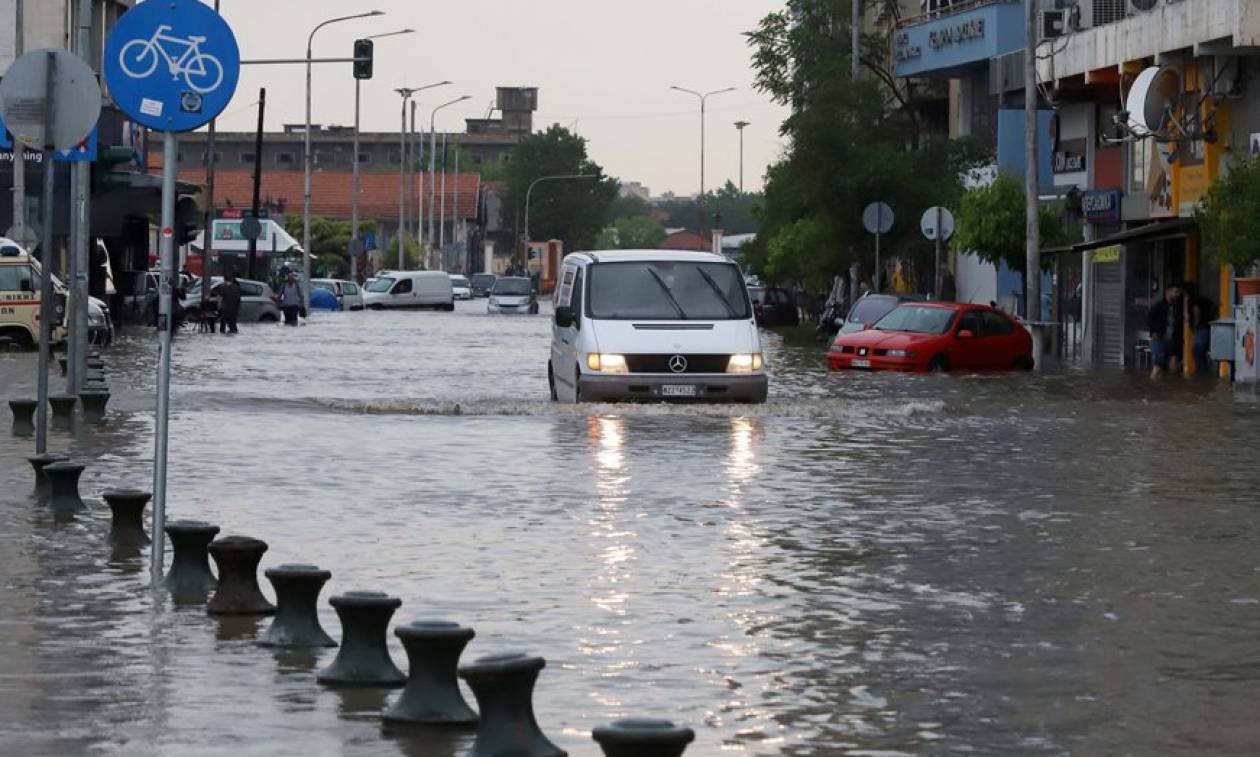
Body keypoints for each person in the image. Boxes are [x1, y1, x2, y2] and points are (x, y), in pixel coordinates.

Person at [1147, 283, 1183, 378]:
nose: (1177, 294)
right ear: (1168, 291)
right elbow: (1150, 319)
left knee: (1172, 367)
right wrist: (1153, 331)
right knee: (1158, 365)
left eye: (1178, 292)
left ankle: (1161, 386)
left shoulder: (1177, 307)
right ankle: (1152, 384)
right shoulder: (1159, 305)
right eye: (1175, 292)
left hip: (1172, 340)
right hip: (1159, 338)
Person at [1185, 282, 1215, 376]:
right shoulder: (1203, 299)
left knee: (1196, 353)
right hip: (1208, 328)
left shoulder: (1192, 300)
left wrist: (1196, 326)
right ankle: (1203, 375)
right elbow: (1213, 306)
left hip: (1201, 329)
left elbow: (1196, 311)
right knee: (1201, 354)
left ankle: (1201, 374)